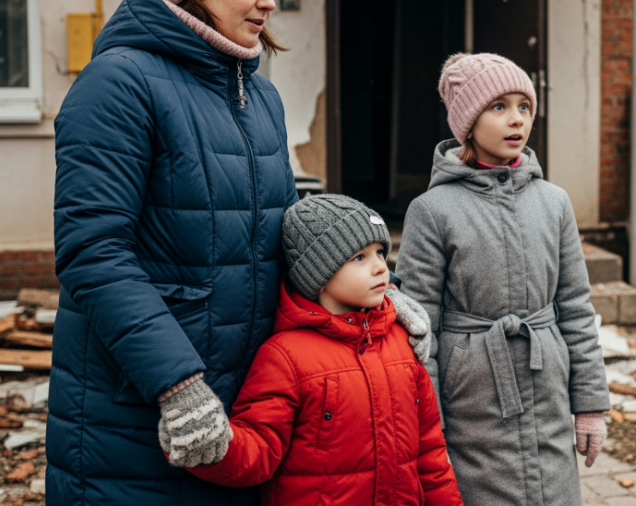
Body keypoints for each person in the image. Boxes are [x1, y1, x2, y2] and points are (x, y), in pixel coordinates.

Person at [49, 0, 298, 504]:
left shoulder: (260, 97)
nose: (269, 1)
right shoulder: (119, 82)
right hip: (136, 414)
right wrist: (177, 386)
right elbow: (93, 252)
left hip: (240, 407)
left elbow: (287, 232)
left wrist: (373, 284)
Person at [396, 53, 611, 505]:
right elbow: (419, 330)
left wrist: (590, 405)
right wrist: (428, 427)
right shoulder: (432, 211)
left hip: (547, 388)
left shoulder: (554, 202)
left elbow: (576, 308)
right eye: (499, 107)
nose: (517, 119)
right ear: (468, 123)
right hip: (470, 400)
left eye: (524, 106)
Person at [182, 194, 464, 505]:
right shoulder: (286, 357)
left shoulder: (401, 341)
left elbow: (431, 453)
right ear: (319, 276)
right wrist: (208, 444)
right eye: (359, 257)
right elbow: (259, 447)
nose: (380, 268)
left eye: (380, 253)